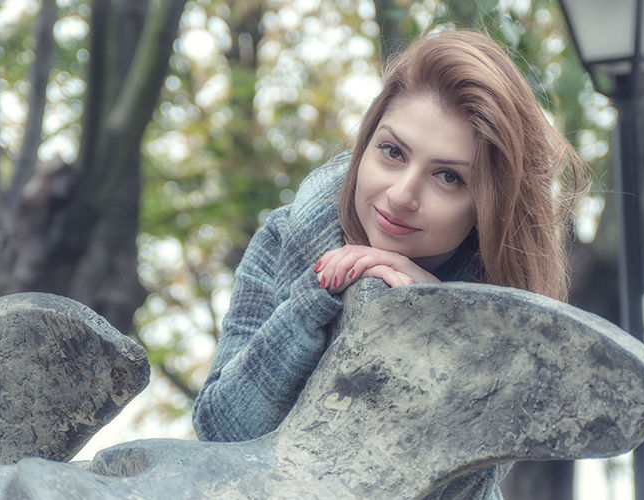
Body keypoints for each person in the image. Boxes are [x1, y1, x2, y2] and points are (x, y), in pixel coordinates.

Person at [192, 28, 585, 497]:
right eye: (393, 152)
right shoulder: (285, 239)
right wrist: (313, 300)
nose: (402, 195)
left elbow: (457, 491)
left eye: (448, 177)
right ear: (365, 145)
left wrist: (437, 321)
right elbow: (220, 430)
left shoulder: (504, 320)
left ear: (487, 207)